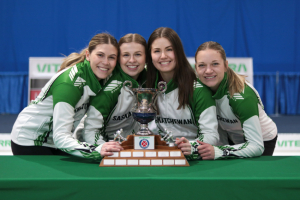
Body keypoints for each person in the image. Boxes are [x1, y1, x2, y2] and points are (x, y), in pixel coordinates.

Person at [11, 33, 119, 160]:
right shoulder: (70, 83)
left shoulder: (98, 77)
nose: (105, 62)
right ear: (88, 55)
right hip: (29, 141)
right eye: (100, 55)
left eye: (111, 57)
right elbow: (61, 137)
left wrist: (101, 146)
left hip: (55, 142)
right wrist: (96, 150)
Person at [194, 41, 278, 159]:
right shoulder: (198, 88)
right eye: (202, 65)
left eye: (215, 64)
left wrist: (219, 151)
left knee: (250, 176)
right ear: (196, 68)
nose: (208, 70)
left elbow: (256, 146)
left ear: (225, 65)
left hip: (261, 140)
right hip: (231, 135)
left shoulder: (240, 96)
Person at [146, 27, 219, 160]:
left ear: (179, 52)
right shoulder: (147, 88)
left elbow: (211, 134)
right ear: (150, 55)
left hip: (194, 161)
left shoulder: (198, 89)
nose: (163, 56)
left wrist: (192, 146)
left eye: (169, 49)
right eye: (157, 51)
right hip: (160, 157)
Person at [77, 33, 147, 158]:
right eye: (126, 55)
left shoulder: (149, 79)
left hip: (130, 147)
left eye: (138, 54)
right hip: (97, 146)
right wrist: (102, 149)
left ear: (146, 57)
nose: (132, 60)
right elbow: (90, 130)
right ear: (118, 58)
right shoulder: (111, 87)